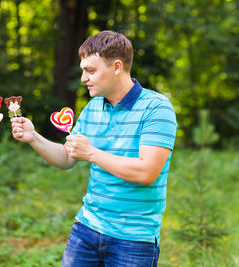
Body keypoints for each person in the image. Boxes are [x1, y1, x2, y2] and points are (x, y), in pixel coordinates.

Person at [11, 30, 177, 266]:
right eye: (83, 70)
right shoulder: (93, 108)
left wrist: (92, 153)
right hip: (86, 229)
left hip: (134, 239)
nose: (83, 78)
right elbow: (67, 159)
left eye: (90, 70)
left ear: (117, 67)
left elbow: (146, 172)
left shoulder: (157, 108)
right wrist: (33, 137)